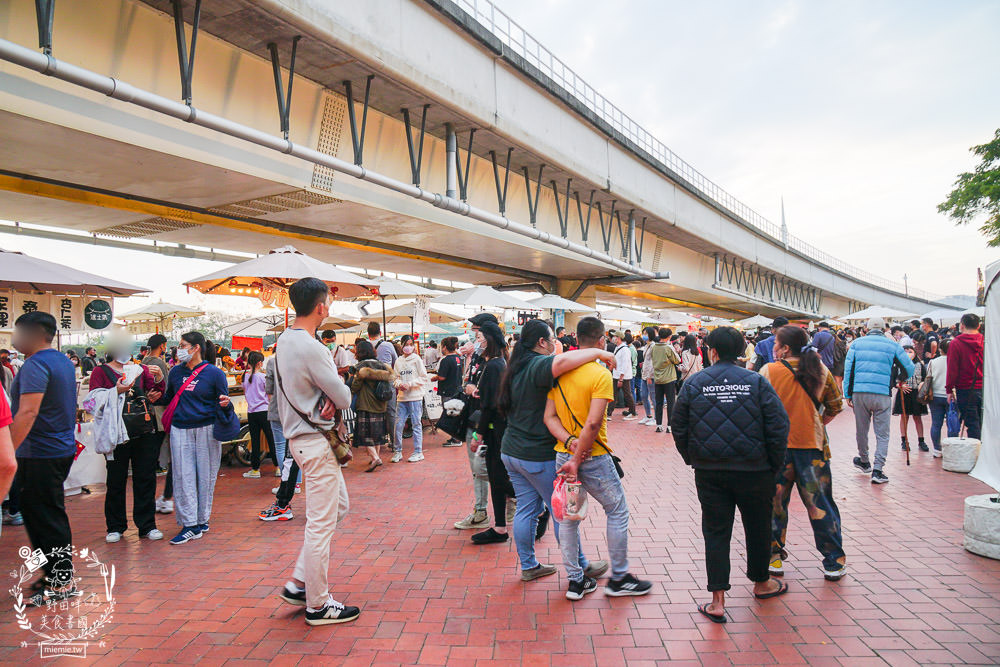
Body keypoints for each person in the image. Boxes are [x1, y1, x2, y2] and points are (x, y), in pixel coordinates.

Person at [672, 326, 790, 622]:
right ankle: (762, 582)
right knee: (759, 525)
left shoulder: (695, 383)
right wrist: (773, 464)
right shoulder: (756, 382)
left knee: (715, 531)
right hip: (755, 469)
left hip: (710, 471)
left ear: (711, 351)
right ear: (740, 352)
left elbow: (679, 425)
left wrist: (692, 457)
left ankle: (717, 600)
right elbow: (778, 425)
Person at [543, 316, 652, 600]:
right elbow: (593, 425)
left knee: (569, 519)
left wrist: (568, 445)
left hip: (562, 457)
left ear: (577, 340)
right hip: (594, 459)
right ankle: (619, 577)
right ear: (602, 341)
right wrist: (578, 458)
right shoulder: (601, 375)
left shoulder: (559, 375)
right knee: (616, 510)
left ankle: (576, 581)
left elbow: (549, 417)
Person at [497, 319, 613, 581]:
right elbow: (560, 364)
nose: (555, 343)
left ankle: (529, 566)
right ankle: (581, 566)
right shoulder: (538, 364)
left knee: (526, 508)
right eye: (552, 339)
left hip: (512, 451)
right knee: (564, 512)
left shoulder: (516, 367)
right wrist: (598, 352)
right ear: (541, 342)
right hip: (536, 455)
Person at [273, 277, 359, 626]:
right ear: (321, 306)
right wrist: (334, 398)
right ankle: (318, 604)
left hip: (302, 439)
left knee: (338, 507)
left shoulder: (284, 341)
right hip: (315, 440)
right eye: (328, 303)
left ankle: (299, 583)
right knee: (321, 523)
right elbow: (343, 396)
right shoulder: (312, 346)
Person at [760, 326, 846, 581]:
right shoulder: (820, 369)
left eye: (776, 344)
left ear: (785, 348)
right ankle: (834, 561)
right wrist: (816, 423)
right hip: (813, 450)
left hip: (778, 450)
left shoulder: (769, 371)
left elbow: (759, 408)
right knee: (820, 505)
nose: (774, 348)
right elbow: (835, 405)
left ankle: (773, 557)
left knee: (774, 504)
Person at [8, 312, 79, 605]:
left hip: (39, 453)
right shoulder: (61, 360)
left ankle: (61, 582)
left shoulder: (36, 364)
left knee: (46, 517)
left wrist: (7, 451)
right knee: (40, 515)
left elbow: (28, 412)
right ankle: (52, 574)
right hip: (54, 449)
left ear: (34, 333)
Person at [87, 340, 166, 543]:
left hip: (144, 429)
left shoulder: (140, 369)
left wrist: (157, 382)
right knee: (115, 479)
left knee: (145, 478)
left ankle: (147, 525)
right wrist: (116, 392)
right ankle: (115, 526)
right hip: (116, 432)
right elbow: (92, 402)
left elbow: (155, 392)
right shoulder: (100, 372)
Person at [162, 331, 233, 544]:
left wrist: (225, 404)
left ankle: (202, 520)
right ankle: (190, 524)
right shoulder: (175, 372)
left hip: (207, 429)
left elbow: (224, 399)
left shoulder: (214, 373)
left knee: (206, 476)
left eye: (183, 345)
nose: (179, 349)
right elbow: (169, 397)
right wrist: (157, 390)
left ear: (196, 348)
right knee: (183, 476)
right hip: (180, 428)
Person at [843, 317, 914, 484]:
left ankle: (864, 460)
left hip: (859, 392)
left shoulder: (856, 344)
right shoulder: (892, 345)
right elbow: (909, 368)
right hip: (882, 392)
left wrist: (847, 393)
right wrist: (898, 379)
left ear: (867, 328)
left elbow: (848, 370)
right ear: (884, 329)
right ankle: (878, 470)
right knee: (882, 433)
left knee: (862, 429)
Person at [470, 323, 516, 545]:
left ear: (489, 339)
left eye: (479, 336)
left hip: (496, 430)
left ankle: (538, 505)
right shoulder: (495, 364)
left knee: (498, 478)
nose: (477, 340)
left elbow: (490, 405)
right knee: (496, 479)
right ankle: (499, 527)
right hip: (495, 430)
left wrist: (478, 435)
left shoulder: (495, 365)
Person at [257, 342, 303, 522]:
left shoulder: (274, 363)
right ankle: (284, 501)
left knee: (288, 456)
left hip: (289, 416)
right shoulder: (307, 361)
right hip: (304, 417)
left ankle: (283, 503)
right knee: (294, 458)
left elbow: (269, 390)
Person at [142, 335, 174, 514]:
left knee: (149, 458)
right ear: (162, 346)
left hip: (147, 414)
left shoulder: (143, 361)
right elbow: (167, 389)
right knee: (170, 457)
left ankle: (157, 498)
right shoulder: (159, 364)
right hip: (160, 414)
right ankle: (166, 497)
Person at [351, 339, 394, 472]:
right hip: (381, 404)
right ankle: (375, 456)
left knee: (365, 435)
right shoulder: (382, 365)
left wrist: (355, 380)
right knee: (376, 434)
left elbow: (355, 387)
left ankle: (375, 458)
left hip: (366, 404)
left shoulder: (360, 367)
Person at [946, 313, 984, 440]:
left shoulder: (955, 343)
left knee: (972, 423)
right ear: (978, 325)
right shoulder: (986, 341)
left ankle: (977, 454)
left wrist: (949, 389)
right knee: (985, 422)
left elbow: (952, 369)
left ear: (961, 326)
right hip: (986, 388)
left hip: (965, 389)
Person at [393, 335, 429, 463]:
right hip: (402, 398)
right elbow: (395, 378)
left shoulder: (417, 359)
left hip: (415, 397)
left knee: (416, 424)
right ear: (402, 345)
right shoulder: (398, 361)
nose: (408, 347)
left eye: (410, 344)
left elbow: (424, 377)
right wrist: (399, 384)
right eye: (406, 344)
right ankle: (397, 451)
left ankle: (418, 452)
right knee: (398, 424)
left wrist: (411, 384)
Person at [242, 351, 278, 479]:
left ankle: (255, 469)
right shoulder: (263, 377)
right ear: (259, 363)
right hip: (264, 411)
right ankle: (278, 467)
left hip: (251, 413)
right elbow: (270, 393)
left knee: (255, 441)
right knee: (271, 439)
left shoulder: (245, 377)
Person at [367, 322, 398, 453]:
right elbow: (395, 361)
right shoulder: (387, 345)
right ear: (380, 331)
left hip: (371, 385)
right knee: (391, 413)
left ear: (368, 333)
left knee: (375, 414)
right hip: (387, 383)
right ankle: (395, 443)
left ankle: (376, 445)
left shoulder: (366, 346)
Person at [893, 346, 927, 452]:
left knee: (917, 417)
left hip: (916, 393)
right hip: (903, 393)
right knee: (904, 416)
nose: (908, 354)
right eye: (905, 352)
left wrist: (922, 385)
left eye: (910, 351)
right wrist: (899, 385)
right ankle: (904, 441)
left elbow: (925, 379)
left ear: (915, 353)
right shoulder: (897, 365)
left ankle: (921, 440)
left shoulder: (920, 365)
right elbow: (893, 380)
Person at [432, 337, 463, 446]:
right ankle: (455, 437)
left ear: (445, 347)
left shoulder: (446, 360)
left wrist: (434, 378)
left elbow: (442, 377)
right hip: (457, 389)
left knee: (450, 415)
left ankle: (456, 439)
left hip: (448, 391)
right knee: (455, 414)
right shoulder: (458, 358)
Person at [649, 327, 682, 433]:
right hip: (669, 378)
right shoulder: (668, 347)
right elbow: (677, 360)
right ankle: (669, 426)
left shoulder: (653, 347)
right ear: (669, 337)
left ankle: (658, 424)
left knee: (658, 403)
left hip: (657, 378)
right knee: (671, 402)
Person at [926, 339, 950, 458]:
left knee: (936, 423)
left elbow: (928, 377)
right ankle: (951, 448)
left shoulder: (933, 362)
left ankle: (936, 449)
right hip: (951, 395)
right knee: (952, 424)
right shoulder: (956, 361)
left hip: (934, 395)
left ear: (940, 349)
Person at [606, 330, 637, 421]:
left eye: (615, 336)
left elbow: (625, 364)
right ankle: (609, 412)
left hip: (623, 376)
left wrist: (621, 378)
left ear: (618, 338)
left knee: (627, 394)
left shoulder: (625, 349)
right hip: (617, 375)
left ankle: (633, 412)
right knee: (613, 394)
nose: (613, 338)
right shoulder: (618, 347)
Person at [638, 327, 656, 425]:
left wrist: (650, 375)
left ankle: (657, 418)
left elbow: (654, 362)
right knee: (644, 395)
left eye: (646, 333)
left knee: (653, 397)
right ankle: (648, 415)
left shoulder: (653, 346)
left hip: (650, 376)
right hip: (644, 374)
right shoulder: (646, 346)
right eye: (643, 333)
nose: (644, 335)